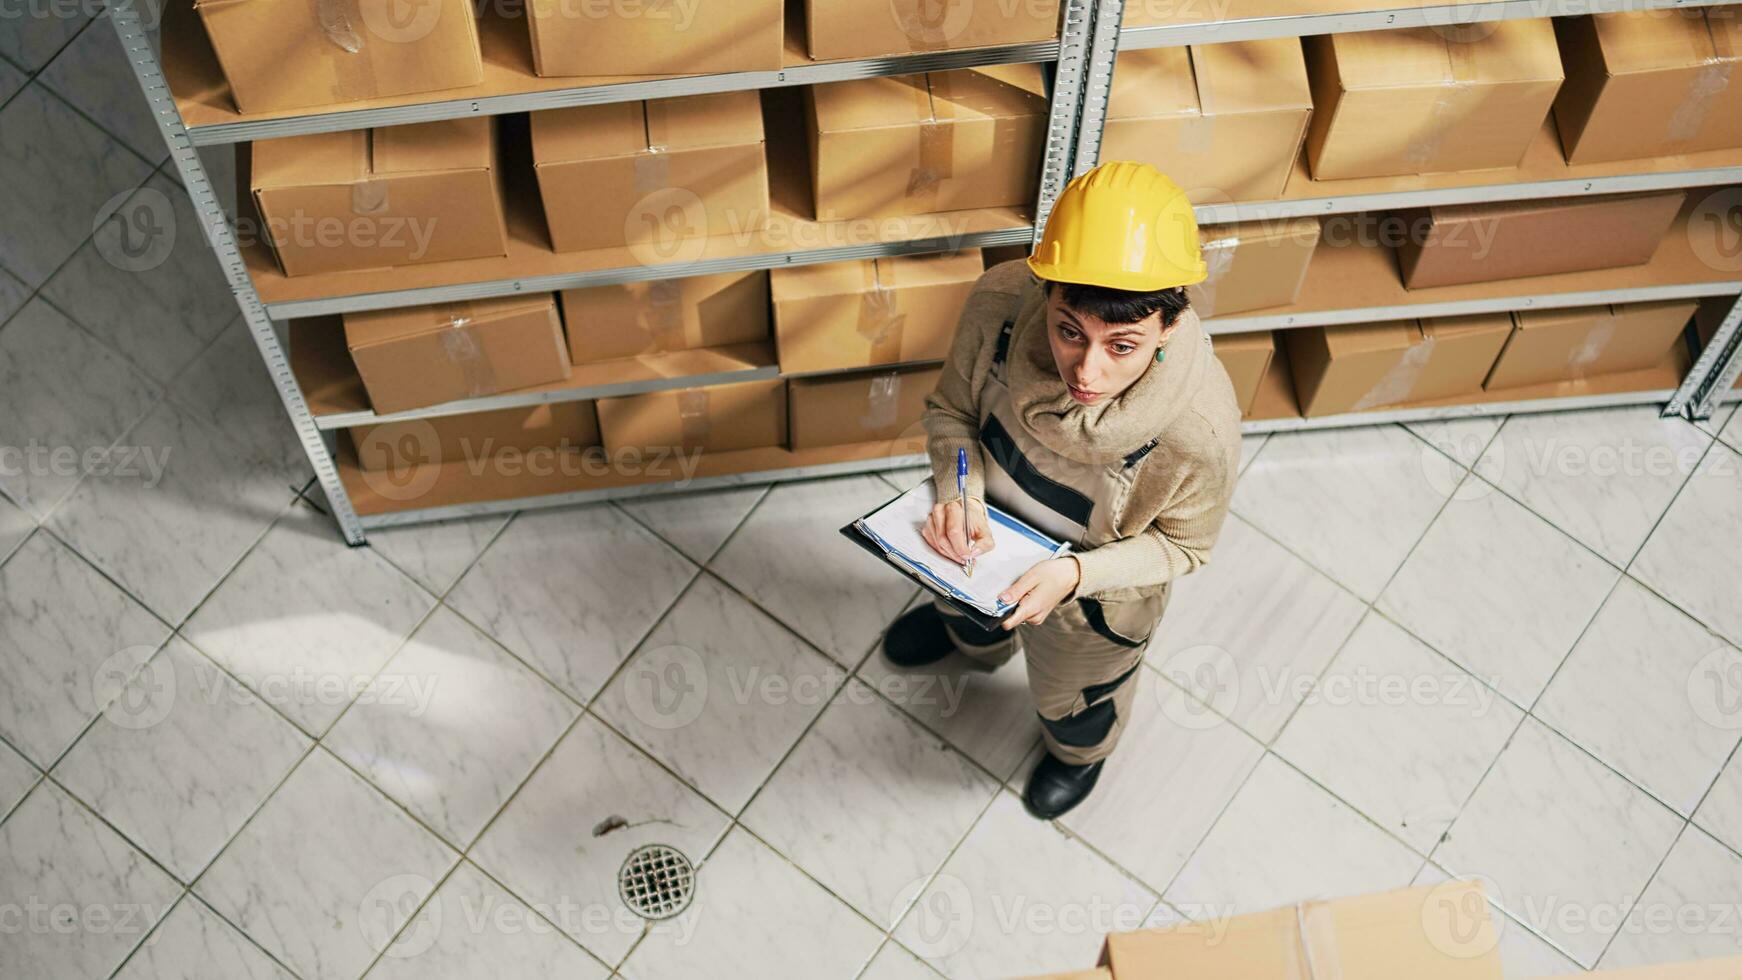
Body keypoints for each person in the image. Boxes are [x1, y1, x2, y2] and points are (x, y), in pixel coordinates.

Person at [882, 161, 1242, 819]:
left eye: (1122, 346)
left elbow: (1183, 550)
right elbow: (952, 412)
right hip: (976, 546)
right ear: (1043, 291)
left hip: (1091, 599)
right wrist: (958, 490)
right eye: (1069, 329)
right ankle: (972, 643)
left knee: (1072, 697)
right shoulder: (997, 307)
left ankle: (1078, 754)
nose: (1087, 369)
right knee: (967, 613)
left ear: (1169, 326)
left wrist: (1074, 575)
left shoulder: (1200, 429)